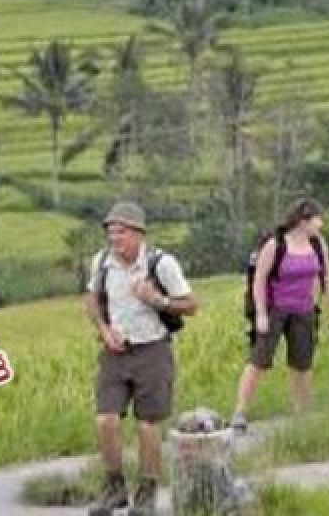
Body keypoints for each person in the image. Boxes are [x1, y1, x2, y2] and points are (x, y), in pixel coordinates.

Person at [85, 201, 198, 516]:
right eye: (110, 232)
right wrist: (105, 330)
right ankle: (114, 488)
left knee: (148, 424)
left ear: (137, 233)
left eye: (120, 232)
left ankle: (147, 494)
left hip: (153, 350)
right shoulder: (102, 263)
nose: (114, 239)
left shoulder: (161, 263)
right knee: (105, 420)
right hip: (115, 352)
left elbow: (190, 304)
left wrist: (156, 299)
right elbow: (91, 300)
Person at [230, 198, 329, 432]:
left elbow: (327, 277)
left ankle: (301, 412)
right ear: (303, 221)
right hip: (275, 309)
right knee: (259, 361)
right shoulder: (276, 244)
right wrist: (261, 314)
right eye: (317, 219)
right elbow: (259, 280)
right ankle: (240, 410)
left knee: (302, 363)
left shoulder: (317, 244)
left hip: (304, 310)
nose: (321, 224)